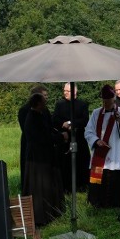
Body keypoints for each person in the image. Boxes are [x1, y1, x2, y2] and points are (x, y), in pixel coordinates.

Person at [86, 85, 120, 211]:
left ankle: (116, 203)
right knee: (98, 178)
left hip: (116, 152)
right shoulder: (96, 113)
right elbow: (88, 131)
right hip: (99, 153)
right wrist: (96, 141)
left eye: (108, 102)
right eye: (103, 101)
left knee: (116, 177)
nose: (105, 104)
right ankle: (97, 203)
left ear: (113, 100)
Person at [23, 93, 67, 226]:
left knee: (48, 183)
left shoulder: (40, 114)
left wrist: (58, 135)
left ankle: (52, 210)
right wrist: (60, 137)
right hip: (38, 159)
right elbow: (42, 138)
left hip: (44, 155)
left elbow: (48, 131)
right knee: (40, 185)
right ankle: (42, 214)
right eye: (43, 102)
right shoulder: (32, 118)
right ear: (37, 104)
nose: (45, 104)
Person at [51, 83, 90, 193]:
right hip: (65, 139)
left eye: (67, 91)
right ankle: (66, 187)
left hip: (79, 139)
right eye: (64, 91)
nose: (65, 93)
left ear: (74, 92)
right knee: (65, 164)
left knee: (81, 162)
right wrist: (63, 124)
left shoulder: (82, 104)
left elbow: (85, 120)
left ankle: (82, 185)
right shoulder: (59, 104)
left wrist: (72, 123)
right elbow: (54, 119)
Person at [18, 85, 48, 193]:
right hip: (29, 142)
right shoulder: (24, 110)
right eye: (44, 96)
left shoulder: (45, 109)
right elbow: (27, 129)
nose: (46, 98)